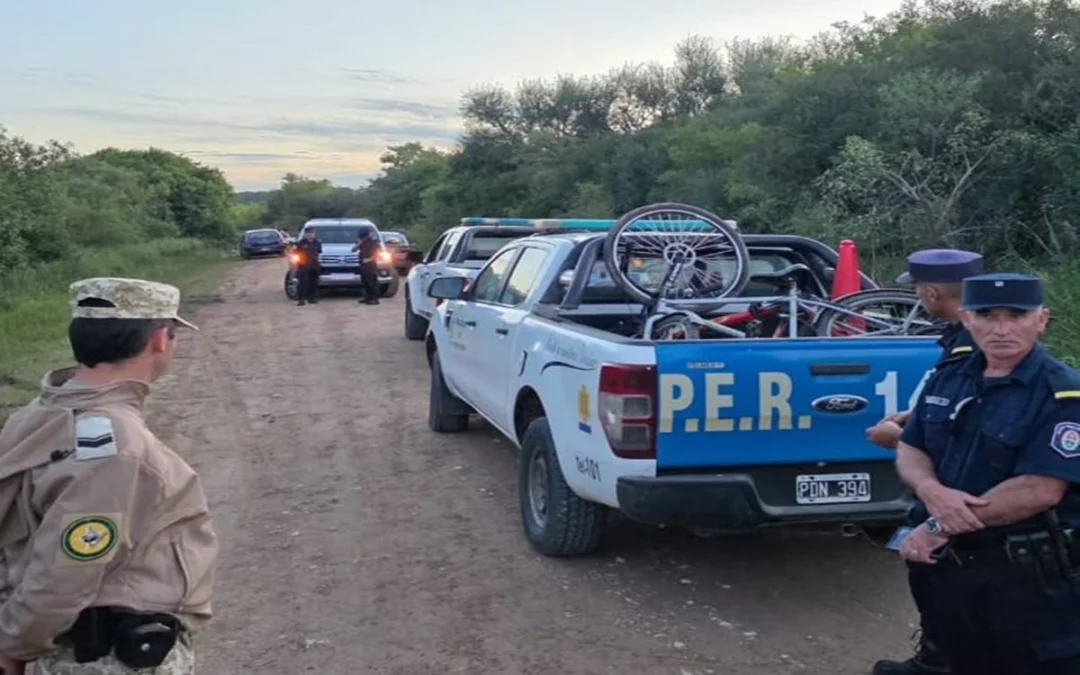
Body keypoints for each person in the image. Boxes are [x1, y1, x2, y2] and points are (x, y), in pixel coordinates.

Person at [0, 277, 218, 675]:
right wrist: (14, 646)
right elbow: (66, 568)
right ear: (160, 340)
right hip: (108, 657)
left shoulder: (35, 416)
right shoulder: (115, 445)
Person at [892, 272, 1080, 675]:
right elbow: (911, 445)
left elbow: (1039, 489)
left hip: (1027, 581)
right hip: (952, 573)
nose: (1002, 329)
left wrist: (938, 525)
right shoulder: (951, 375)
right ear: (966, 318)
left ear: (1042, 320)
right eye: (987, 316)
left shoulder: (1063, 394)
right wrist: (931, 490)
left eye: (1016, 315)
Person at [867, 250, 984, 675]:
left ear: (932, 293)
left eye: (918, 288)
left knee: (943, 578)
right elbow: (954, 404)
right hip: (951, 485)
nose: (917, 295)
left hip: (956, 484)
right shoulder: (965, 336)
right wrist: (915, 416)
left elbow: (970, 424)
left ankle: (938, 661)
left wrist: (899, 437)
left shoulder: (973, 345)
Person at [294, 228, 322, 306]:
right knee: (303, 283)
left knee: (313, 283)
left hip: (314, 265)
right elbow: (296, 253)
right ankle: (301, 299)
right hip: (303, 266)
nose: (310, 235)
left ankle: (312, 298)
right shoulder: (301, 243)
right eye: (308, 233)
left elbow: (319, 252)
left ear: (314, 234)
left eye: (312, 233)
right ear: (305, 234)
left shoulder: (317, 243)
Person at [352, 230, 380, 305]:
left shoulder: (373, 243)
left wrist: (369, 259)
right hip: (363, 266)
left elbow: (377, 253)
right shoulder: (362, 243)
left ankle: (374, 299)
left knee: (372, 283)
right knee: (365, 283)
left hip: (371, 266)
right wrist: (359, 242)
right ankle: (367, 298)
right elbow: (353, 250)